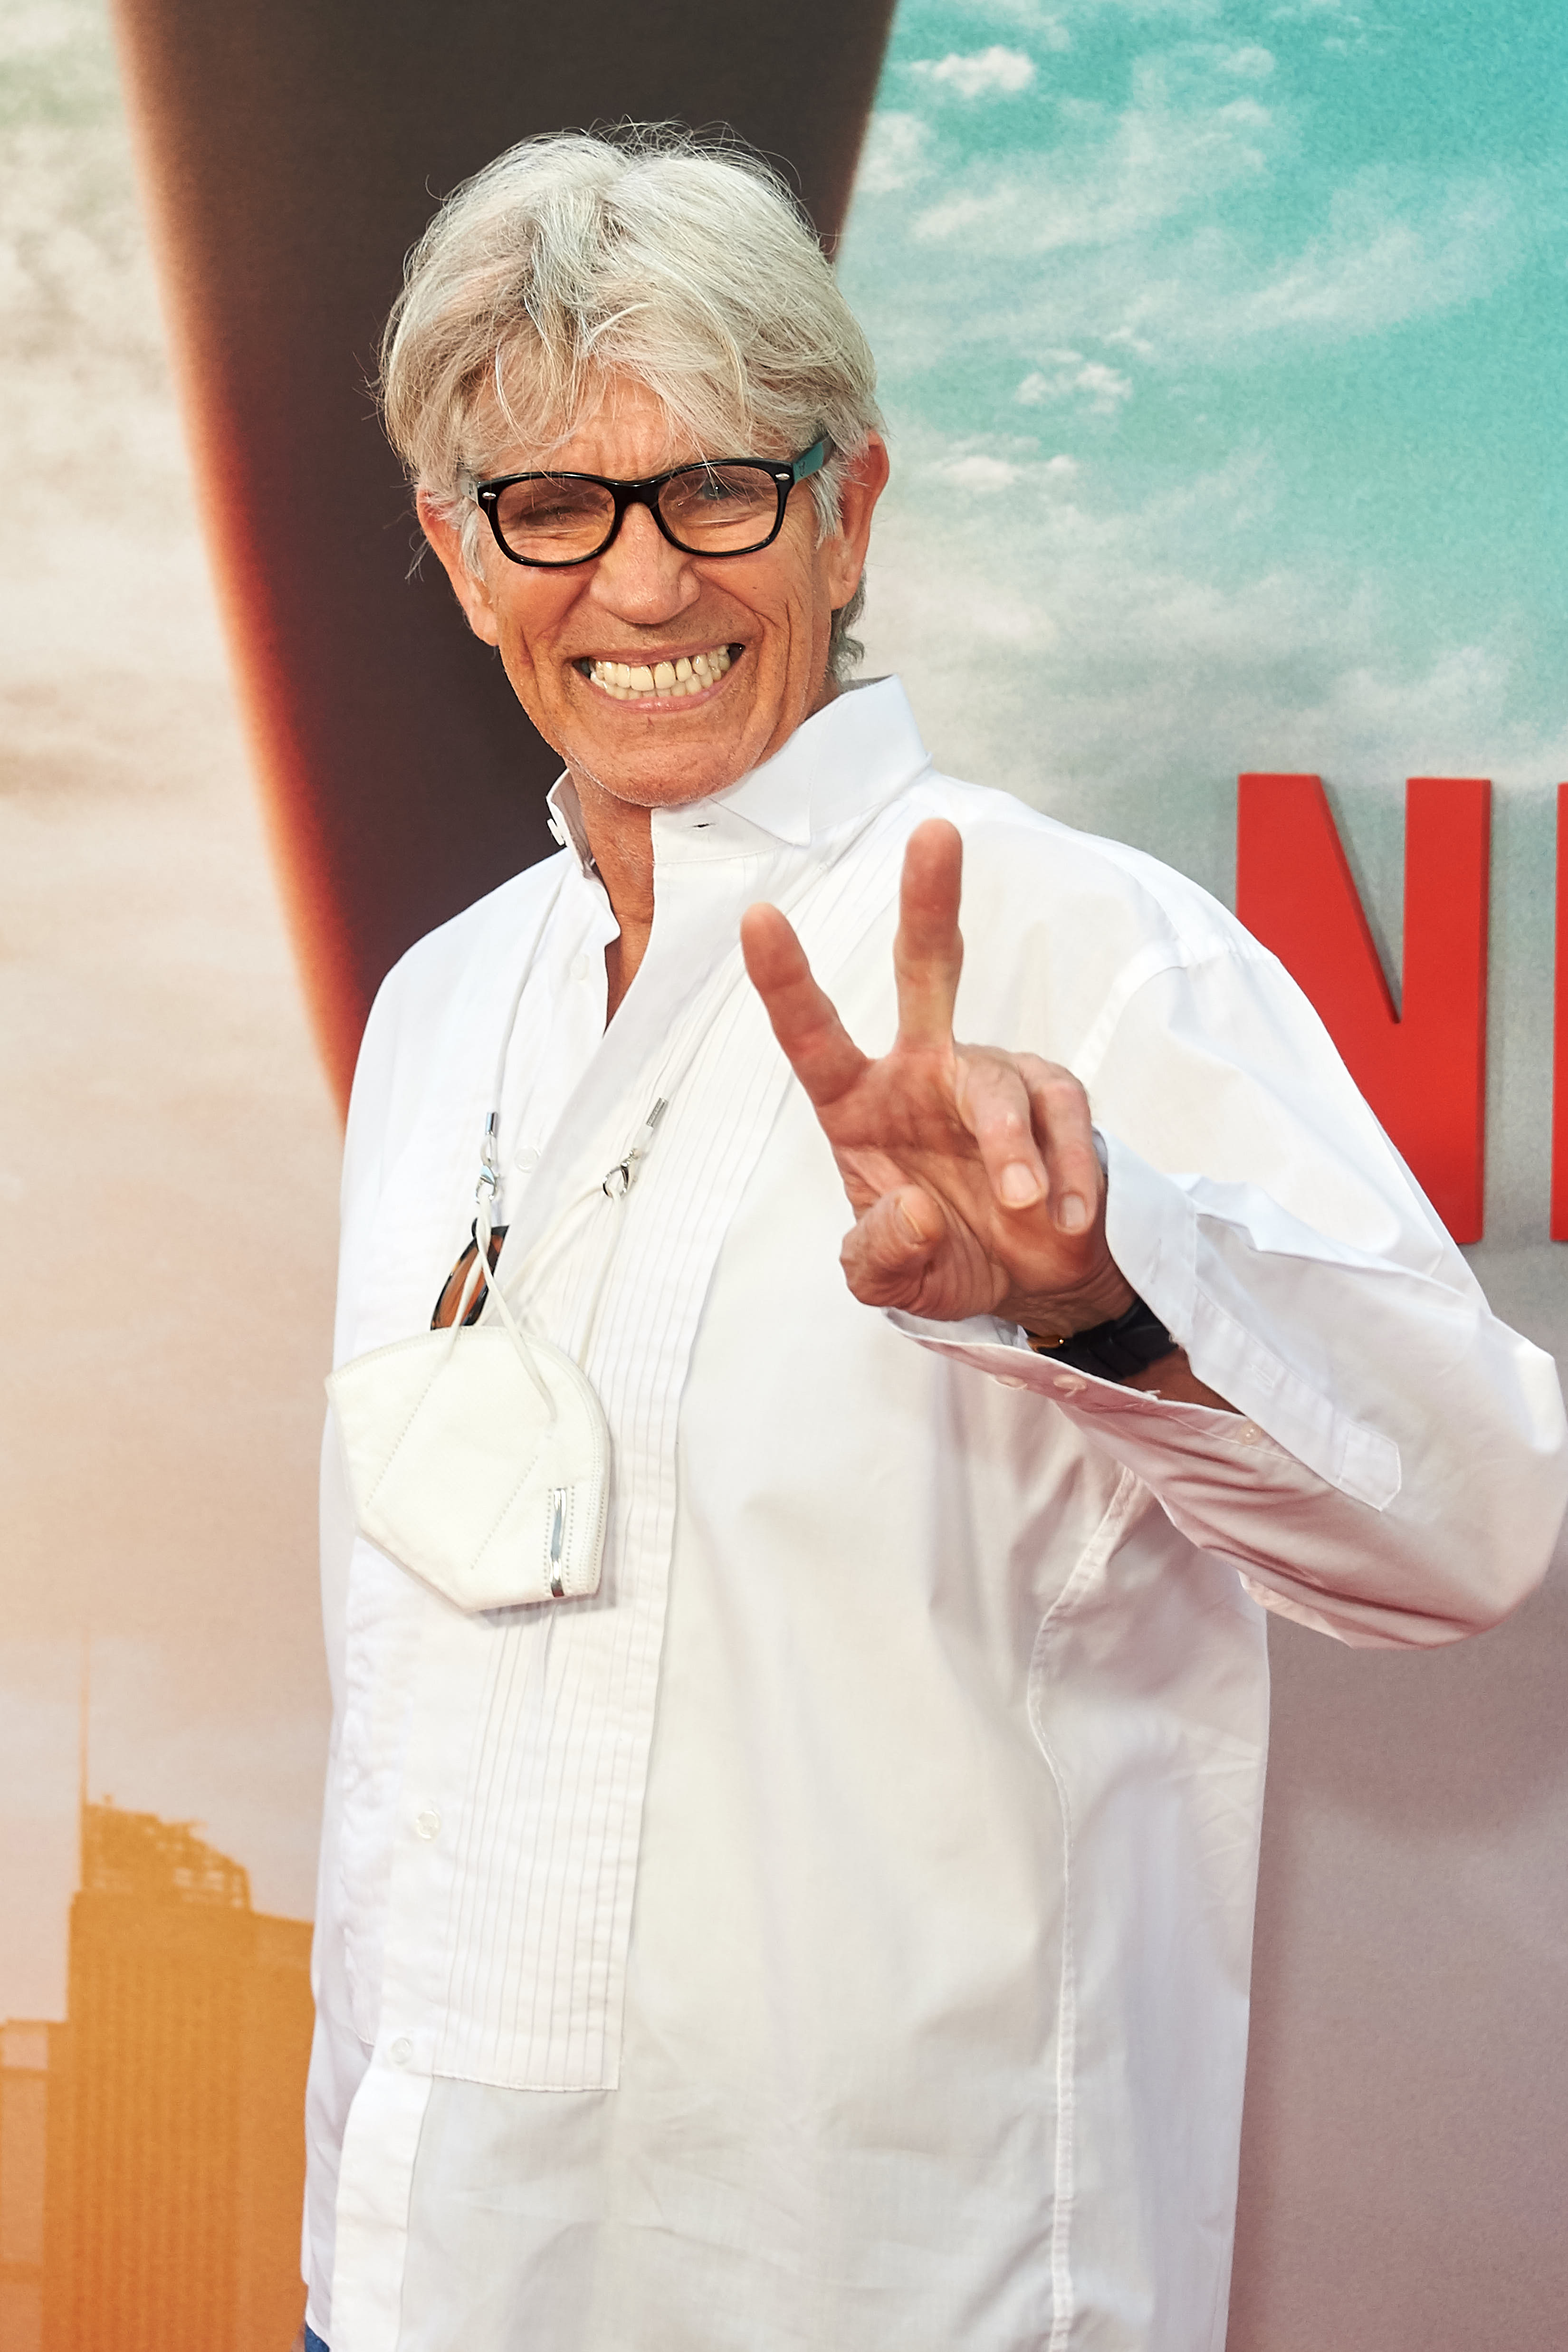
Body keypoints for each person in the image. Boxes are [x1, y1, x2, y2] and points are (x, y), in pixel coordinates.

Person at [298, 127, 1567, 2352]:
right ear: (462, 550)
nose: (645, 581)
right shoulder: (436, 1007)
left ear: (848, 506)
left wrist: (1098, 1292)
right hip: (422, 2275)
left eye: (720, 490)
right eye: (554, 505)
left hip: (907, 2283)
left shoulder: (1081, 946)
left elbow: (1475, 1525)